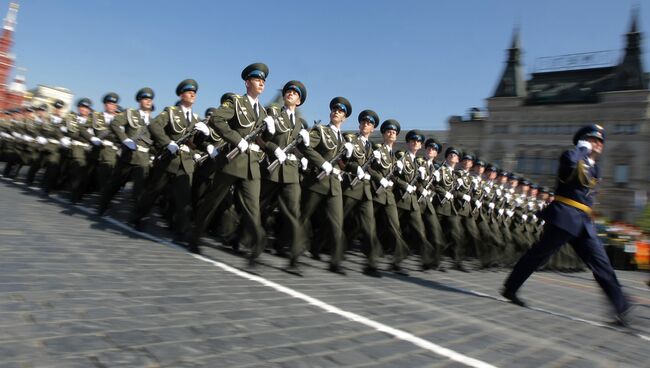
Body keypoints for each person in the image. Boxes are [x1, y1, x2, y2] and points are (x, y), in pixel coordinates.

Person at [502, 124, 632, 326]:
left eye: (600, 141)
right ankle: (510, 287)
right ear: (583, 141)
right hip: (565, 216)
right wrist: (581, 150)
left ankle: (621, 306)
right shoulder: (571, 156)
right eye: (593, 140)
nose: (598, 144)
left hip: (584, 223)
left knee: (601, 263)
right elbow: (569, 167)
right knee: (539, 255)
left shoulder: (595, 168)